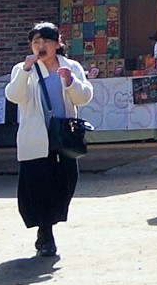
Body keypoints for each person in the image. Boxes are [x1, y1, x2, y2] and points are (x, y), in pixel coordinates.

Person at [6, 22, 94, 259]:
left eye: (45, 41)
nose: (40, 46)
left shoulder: (70, 66)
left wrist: (70, 82)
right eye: (36, 42)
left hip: (64, 136)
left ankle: (50, 223)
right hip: (36, 138)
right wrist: (25, 71)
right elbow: (14, 96)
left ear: (57, 44)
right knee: (38, 186)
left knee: (66, 182)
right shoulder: (23, 68)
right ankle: (45, 232)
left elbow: (84, 97)